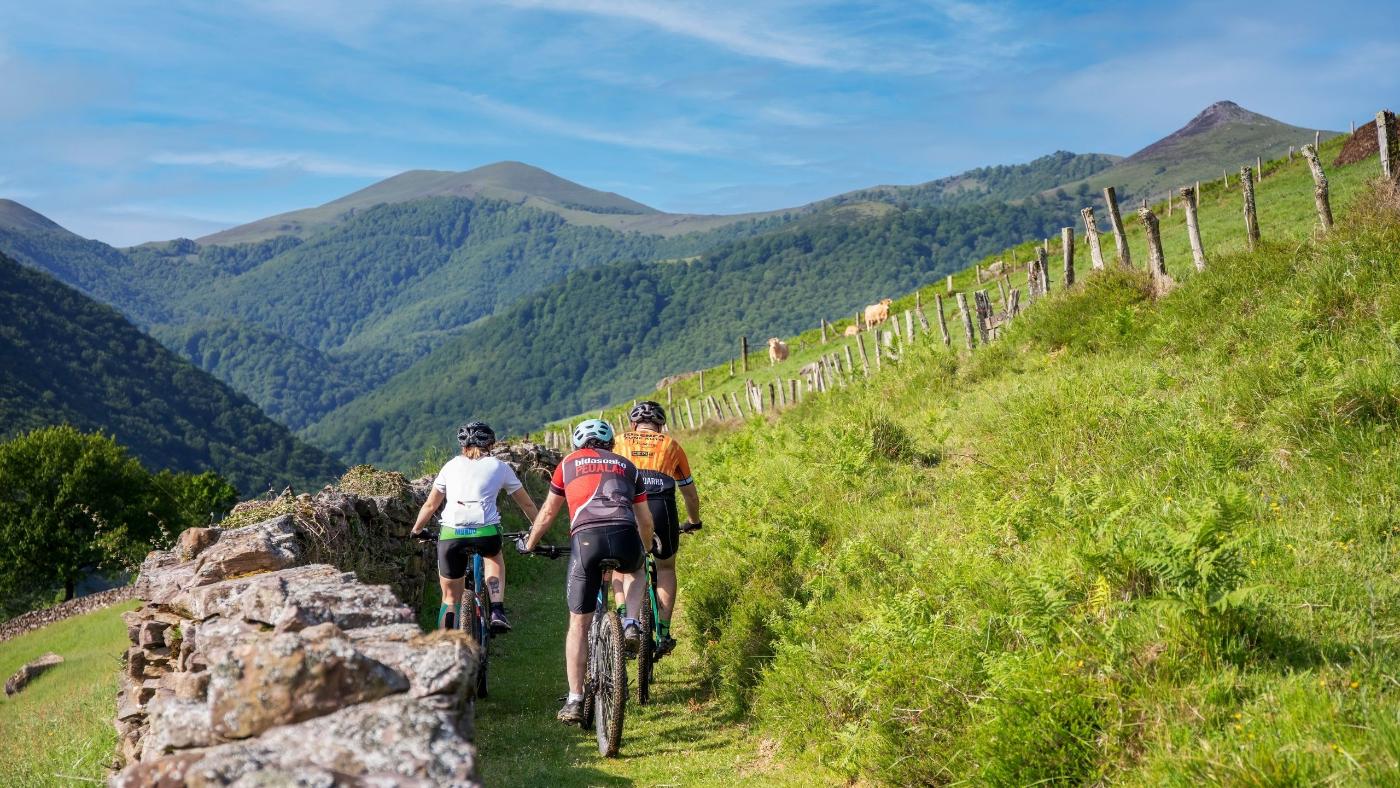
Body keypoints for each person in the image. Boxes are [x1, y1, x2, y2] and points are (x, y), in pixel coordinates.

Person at [517, 418, 654, 724]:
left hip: (586, 541)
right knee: (637, 569)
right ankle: (631, 622)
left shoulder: (567, 464)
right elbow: (644, 521)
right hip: (624, 534)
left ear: (578, 444)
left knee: (579, 623)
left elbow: (549, 512)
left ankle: (575, 699)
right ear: (610, 445)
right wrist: (644, 549)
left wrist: (530, 544)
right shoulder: (627, 466)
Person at [410, 421, 539, 633]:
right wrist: (537, 528)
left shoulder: (449, 467)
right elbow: (526, 503)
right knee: (493, 556)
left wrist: (416, 530)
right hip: (485, 532)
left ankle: (446, 646)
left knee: (450, 598)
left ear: (463, 446)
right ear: (490, 444)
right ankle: (497, 609)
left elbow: (431, 504)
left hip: (451, 533)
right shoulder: (500, 467)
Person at [612, 401, 701, 657]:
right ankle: (663, 631)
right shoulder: (671, 445)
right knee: (665, 567)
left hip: (628, 505)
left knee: (624, 566)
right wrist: (694, 521)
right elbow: (690, 495)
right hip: (662, 506)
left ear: (632, 425)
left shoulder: (618, 442)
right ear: (661, 426)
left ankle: (623, 620)